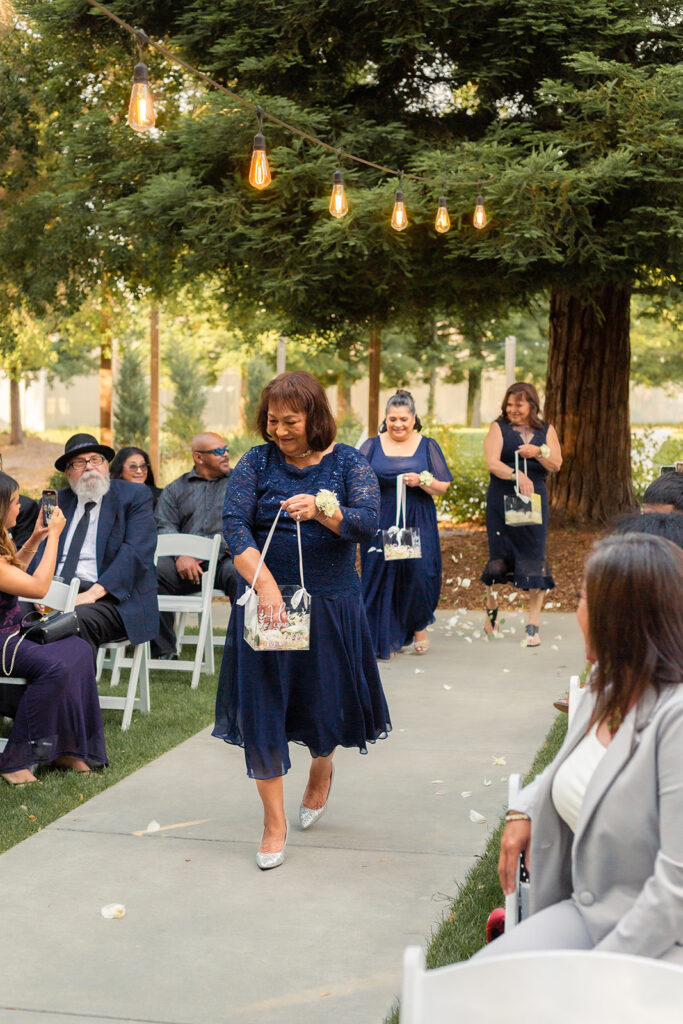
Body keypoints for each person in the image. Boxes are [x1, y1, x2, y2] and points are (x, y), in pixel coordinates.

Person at [213, 371, 391, 870]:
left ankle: (321, 767)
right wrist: (264, 585)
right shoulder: (256, 462)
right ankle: (274, 823)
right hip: (268, 603)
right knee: (263, 708)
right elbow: (234, 525)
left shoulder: (348, 462)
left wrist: (320, 510)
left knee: (325, 705)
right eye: (272, 421)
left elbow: (366, 523)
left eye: (290, 421)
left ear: (314, 417)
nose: (280, 431)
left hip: (332, 605)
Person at [481, 533, 683, 962]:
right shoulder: (604, 686)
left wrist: (594, 975)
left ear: (624, 618)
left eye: (584, 599)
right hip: (588, 916)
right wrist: (525, 808)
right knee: (471, 990)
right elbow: (570, 765)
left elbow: (677, 889)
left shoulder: (676, 718)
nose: (576, 612)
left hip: (661, 944)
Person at [0, 471, 108, 786]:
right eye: (15, 502)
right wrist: (55, 537)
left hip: (10, 634)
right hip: (3, 641)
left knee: (79, 649)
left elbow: (13, 572)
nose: (21, 508)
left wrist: (35, 538)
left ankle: (67, 748)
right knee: (56, 668)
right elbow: (36, 586)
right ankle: (14, 760)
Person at [29, 433, 159, 662]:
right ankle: (20, 694)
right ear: (68, 472)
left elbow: (136, 552)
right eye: (79, 462)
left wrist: (92, 594)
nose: (89, 467)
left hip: (111, 599)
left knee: (72, 620)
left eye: (95, 459)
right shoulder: (56, 502)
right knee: (10, 614)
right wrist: (37, 589)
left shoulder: (135, 496)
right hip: (55, 592)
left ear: (106, 466)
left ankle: (76, 695)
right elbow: (39, 550)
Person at [359, 390, 452, 659]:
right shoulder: (372, 445)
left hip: (416, 518)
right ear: (385, 419)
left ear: (414, 419)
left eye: (403, 419)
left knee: (419, 574)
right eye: (392, 419)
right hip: (381, 517)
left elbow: (442, 485)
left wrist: (422, 481)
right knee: (380, 575)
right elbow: (356, 480)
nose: (398, 424)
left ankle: (419, 625)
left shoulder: (427, 445)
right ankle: (380, 636)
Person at [481, 382, 562, 647]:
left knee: (534, 557)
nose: (513, 409)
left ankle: (533, 625)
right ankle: (491, 613)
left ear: (532, 406)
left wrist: (538, 452)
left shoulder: (546, 431)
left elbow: (556, 464)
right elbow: (492, 463)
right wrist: (517, 474)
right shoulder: (498, 427)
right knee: (498, 557)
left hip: (533, 503)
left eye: (519, 404)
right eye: (510, 404)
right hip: (502, 501)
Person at [152, 432, 238, 659]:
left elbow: (251, 521)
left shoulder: (240, 484)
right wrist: (181, 553)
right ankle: (164, 650)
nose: (226, 454)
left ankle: (244, 649)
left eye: (226, 448)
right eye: (219, 451)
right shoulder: (175, 489)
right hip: (185, 565)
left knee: (240, 574)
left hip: (224, 561)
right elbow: (164, 525)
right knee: (151, 571)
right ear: (198, 457)